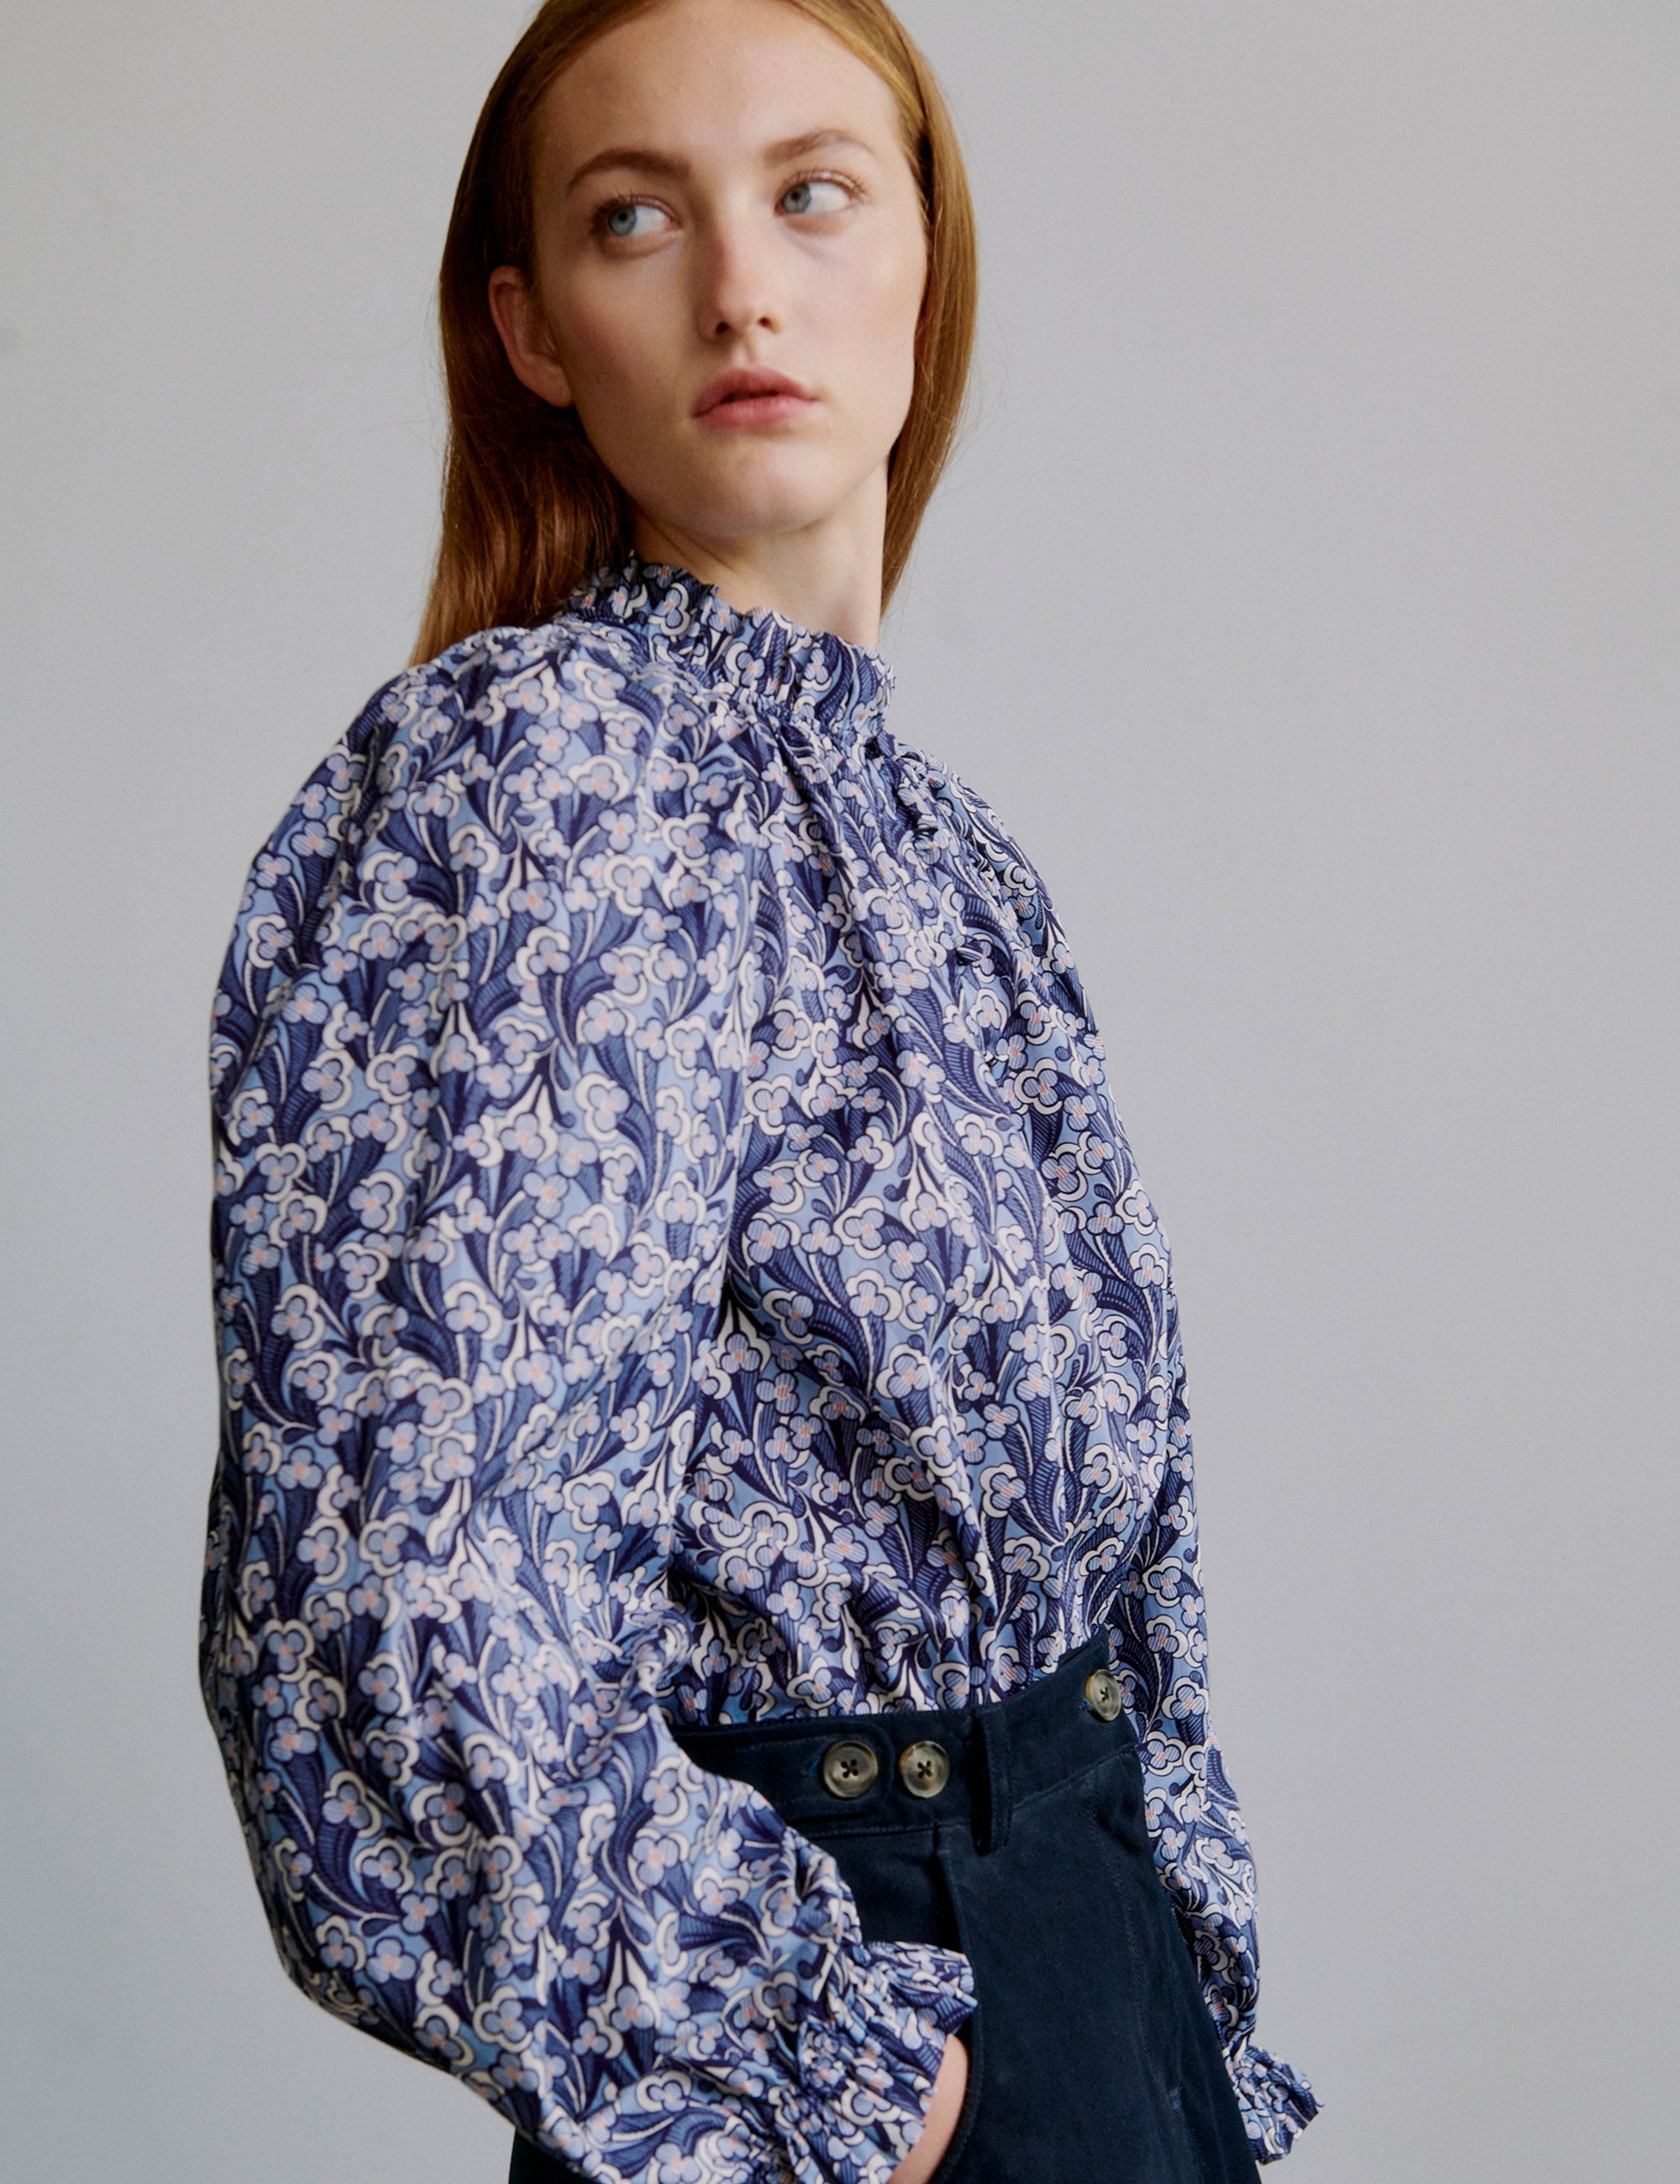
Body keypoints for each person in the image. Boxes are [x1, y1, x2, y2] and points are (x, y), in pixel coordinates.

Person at [199, 2, 1319, 2178]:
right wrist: (832, 2074)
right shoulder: (534, 788)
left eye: (814, 190)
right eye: (640, 218)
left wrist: (1178, 1999)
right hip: (868, 2026)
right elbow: (417, 1604)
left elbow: (1124, 1569)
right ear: (533, 332)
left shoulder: (949, 851)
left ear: (926, 251)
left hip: (1095, 1998)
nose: (743, 286)